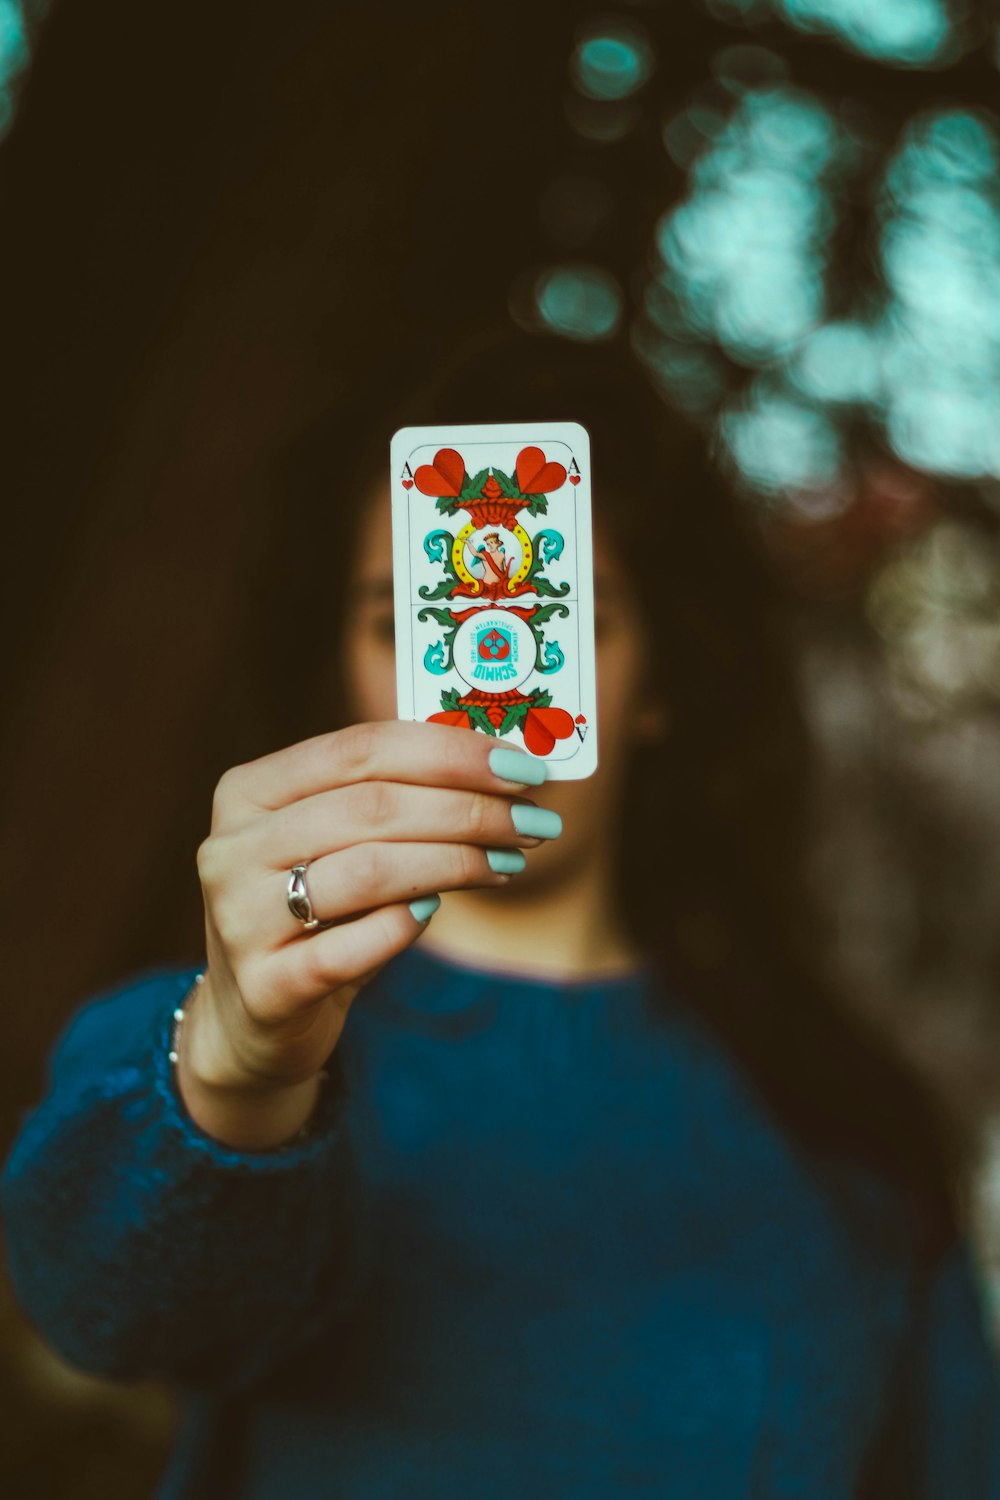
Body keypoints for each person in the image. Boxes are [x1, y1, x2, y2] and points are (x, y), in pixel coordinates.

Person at [3, 333, 999, 1498]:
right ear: (346, 673)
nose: (489, 680)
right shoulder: (185, 1054)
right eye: (410, 627)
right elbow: (108, 1314)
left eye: (559, 626)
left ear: (660, 684)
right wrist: (236, 1068)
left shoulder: (855, 1126)